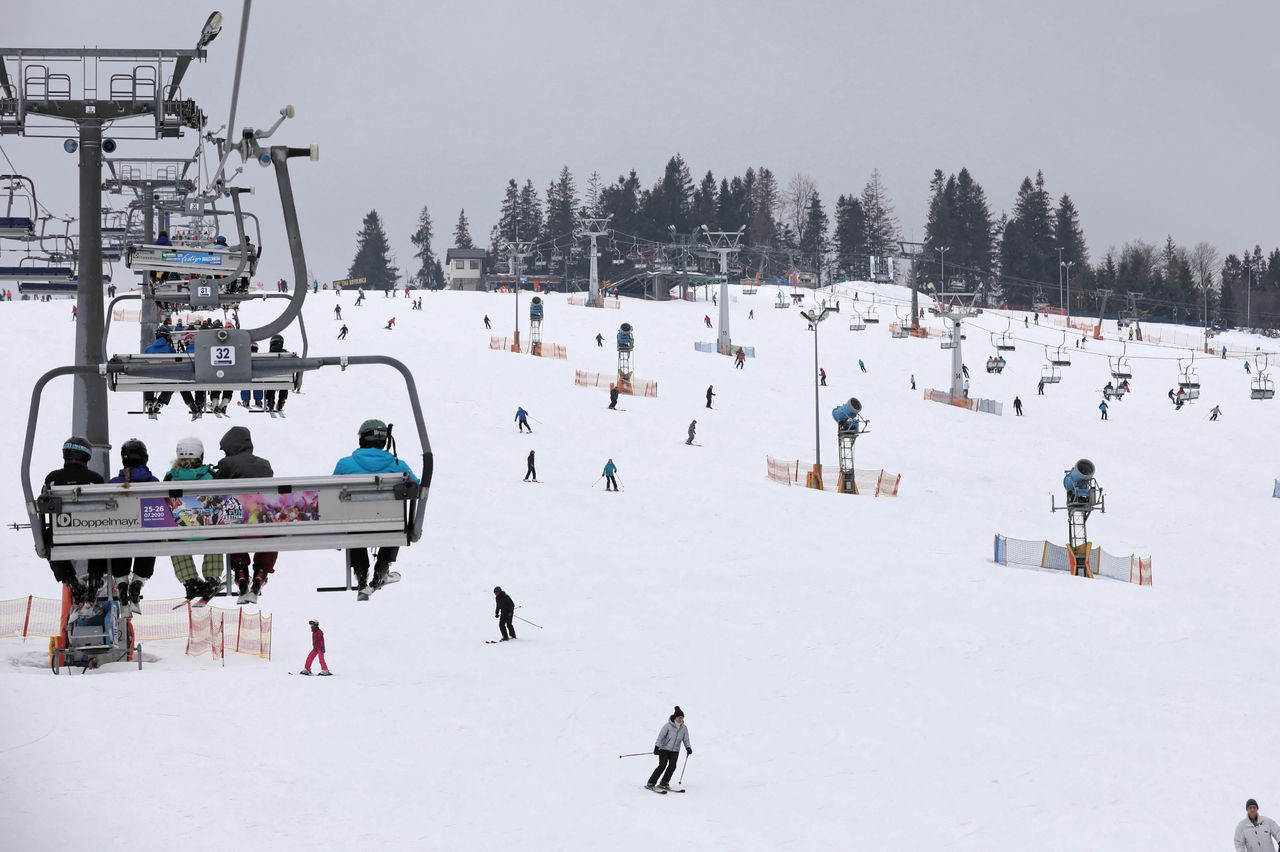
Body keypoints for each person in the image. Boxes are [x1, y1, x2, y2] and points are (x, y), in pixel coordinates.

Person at [333, 419, 420, 600]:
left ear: (362, 439)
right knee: (396, 521)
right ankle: (382, 567)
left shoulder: (344, 465)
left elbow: (331, 495)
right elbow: (417, 488)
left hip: (356, 527)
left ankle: (361, 572)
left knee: (353, 521)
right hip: (389, 526)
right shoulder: (399, 466)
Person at [44, 437, 108, 613]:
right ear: (87, 456)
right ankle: (94, 581)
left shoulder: (52, 479)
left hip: (62, 537)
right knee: (101, 537)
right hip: (90, 535)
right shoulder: (94, 479)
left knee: (49, 541)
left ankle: (71, 581)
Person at [214, 427, 277, 604]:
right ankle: (261, 572)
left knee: (231, 523)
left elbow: (215, 492)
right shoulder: (265, 464)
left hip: (237, 526)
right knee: (272, 529)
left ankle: (240, 569)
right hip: (262, 526)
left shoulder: (227, 464)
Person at [164, 437, 225, 602]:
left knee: (172, 536)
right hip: (207, 531)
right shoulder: (211, 476)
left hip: (181, 532)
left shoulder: (170, 477)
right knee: (217, 530)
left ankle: (189, 579)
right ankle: (212, 577)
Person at [108, 439, 160, 614]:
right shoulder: (154, 483)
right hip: (146, 539)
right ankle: (137, 582)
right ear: (145, 458)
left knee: (119, 539)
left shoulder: (113, 483)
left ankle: (122, 584)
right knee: (149, 539)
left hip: (121, 538)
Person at [646, 706, 691, 792]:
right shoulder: (667, 726)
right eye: (679, 717)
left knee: (672, 766)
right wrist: (657, 747)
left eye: (682, 717)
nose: (680, 719)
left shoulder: (684, 728)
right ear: (675, 717)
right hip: (664, 749)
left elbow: (686, 739)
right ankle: (651, 782)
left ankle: (664, 782)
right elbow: (661, 737)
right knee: (662, 765)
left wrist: (688, 747)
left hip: (675, 750)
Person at [263, 334, 289, 413]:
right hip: (285, 379)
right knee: (286, 380)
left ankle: (270, 401)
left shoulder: (267, 355)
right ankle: (282, 400)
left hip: (271, 379)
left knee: (271, 380)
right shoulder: (286, 354)